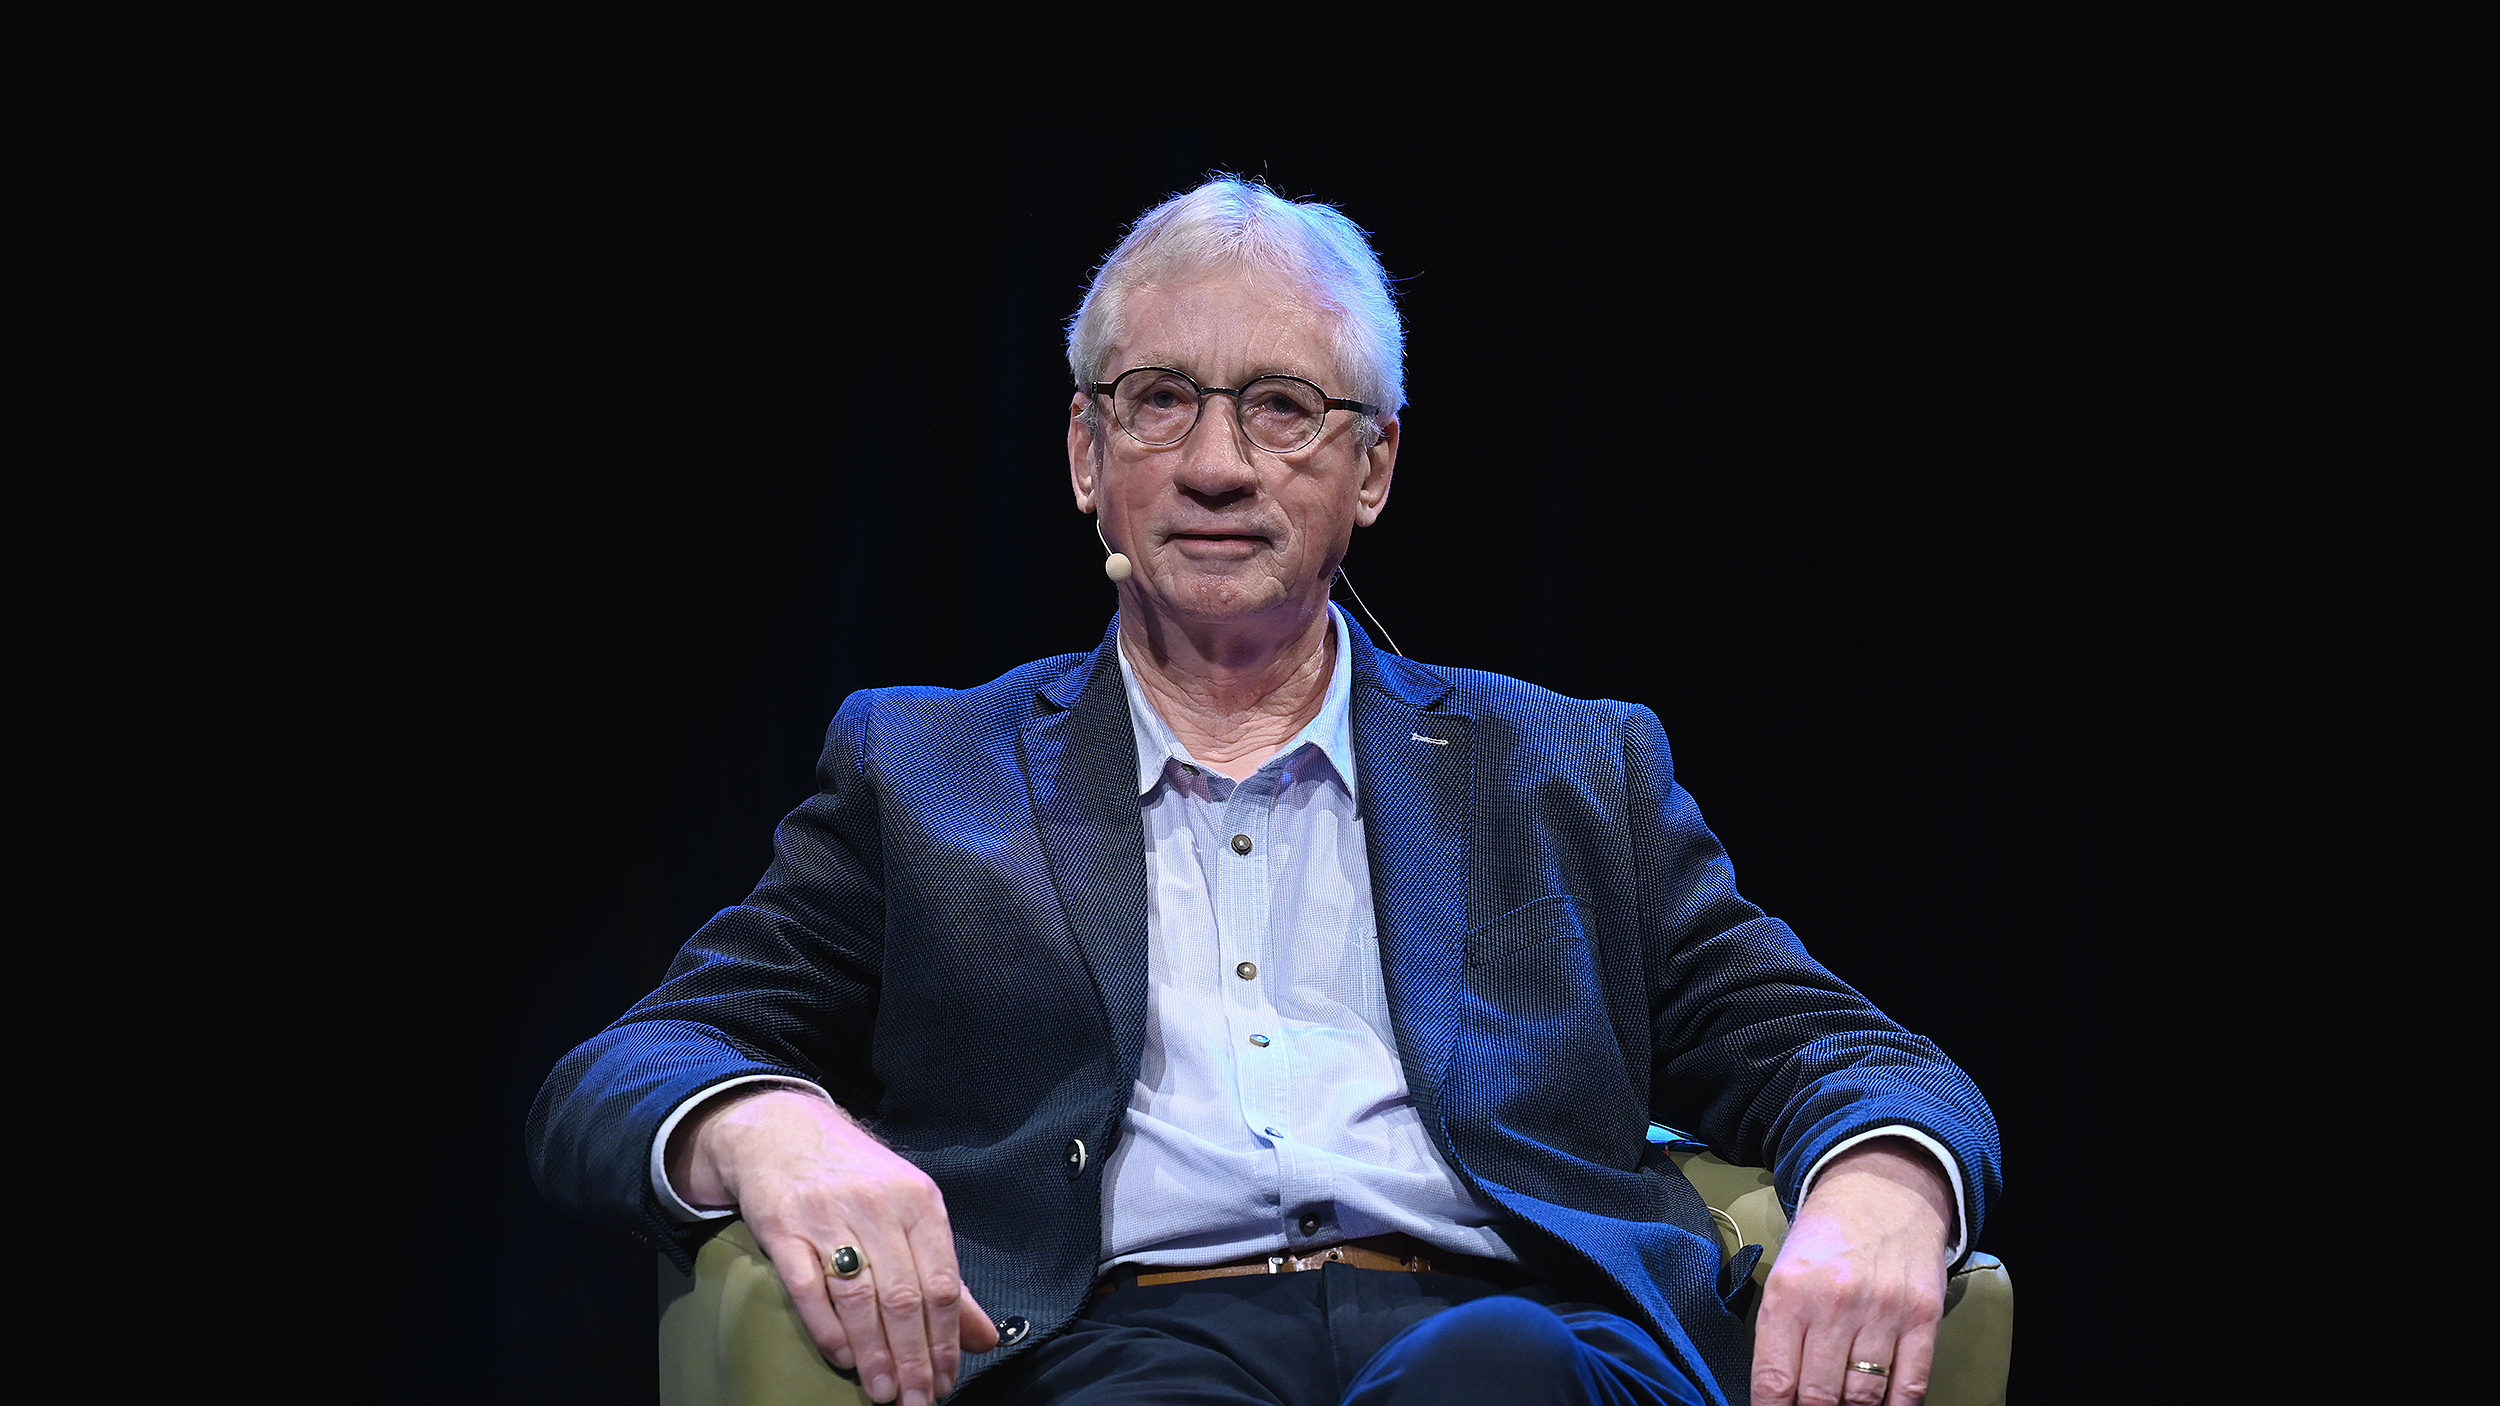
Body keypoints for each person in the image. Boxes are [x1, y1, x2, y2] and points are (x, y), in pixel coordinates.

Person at [529, 179, 1998, 1406]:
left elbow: (1845, 1051)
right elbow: (627, 1066)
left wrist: (1885, 1177)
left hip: (1507, 1330)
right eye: (1161, 401)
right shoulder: (926, 771)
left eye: (1284, 406)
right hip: (1124, 1341)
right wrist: (774, 1121)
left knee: (1485, 1374)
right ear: (1086, 455)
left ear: (1373, 466)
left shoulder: (1566, 769)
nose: (1219, 464)